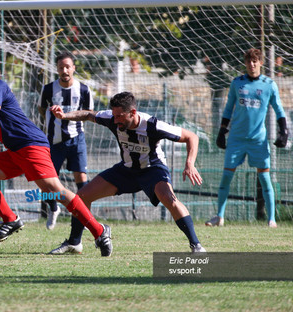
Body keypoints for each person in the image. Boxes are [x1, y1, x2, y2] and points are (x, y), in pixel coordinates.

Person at [0, 56, 113, 256]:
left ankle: (100, 232)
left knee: (56, 191)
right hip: (15, 151)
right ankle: (10, 219)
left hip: (31, 145)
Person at [48, 91, 206, 255]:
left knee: (169, 199)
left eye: (120, 116)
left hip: (153, 169)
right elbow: (88, 114)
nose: (116, 121)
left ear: (133, 113)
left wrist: (189, 164)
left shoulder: (153, 125)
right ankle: (74, 243)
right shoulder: (112, 119)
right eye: (114, 116)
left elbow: (191, 137)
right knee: (80, 197)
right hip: (126, 170)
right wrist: (64, 115)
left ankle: (197, 246)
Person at [205, 48, 288, 228]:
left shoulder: (269, 85)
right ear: (245, 63)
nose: (251, 64)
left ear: (261, 62)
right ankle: (219, 217)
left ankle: (271, 219)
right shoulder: (237, 83)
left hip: (258, 140)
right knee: (226, 176)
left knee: (265, 179)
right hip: (236, 139)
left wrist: (284, 131)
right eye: (248, 61)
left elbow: (279, 110)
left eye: (255, 61)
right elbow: (228, 109)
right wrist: (221, 131)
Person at [38, 51, 93, 230]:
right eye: (61, 67)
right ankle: (53, 209)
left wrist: (67, 115)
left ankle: (83, 216)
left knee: (81, 178)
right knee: (46, 180)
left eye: (67, 66)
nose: (64, 70)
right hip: (54, 141)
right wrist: (51, 119)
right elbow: (41, 108)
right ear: (57, 69)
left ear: (73, 68)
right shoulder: (48, 89)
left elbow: (89, 114)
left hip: (77, 139)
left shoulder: (84, 89)